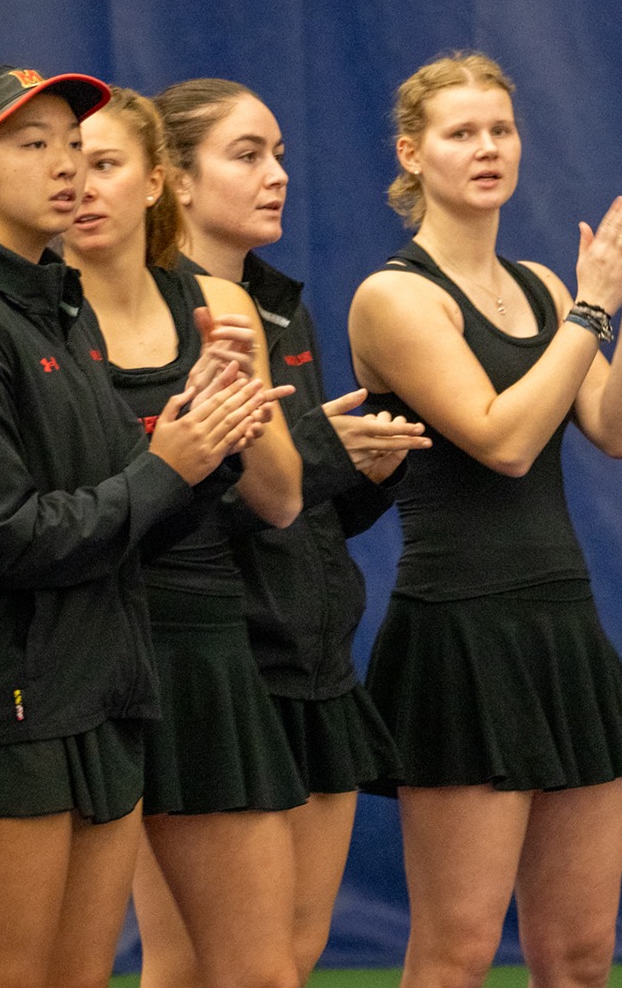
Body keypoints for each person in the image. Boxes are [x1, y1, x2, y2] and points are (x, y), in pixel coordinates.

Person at [0, 67, 278, 988]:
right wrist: (165, 465)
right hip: (7, 711)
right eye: (36, 145)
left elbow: (123, 505)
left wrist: (208, 434)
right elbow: (4, 535)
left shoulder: (57, 312)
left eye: (75, 142)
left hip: (101, 696)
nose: (67, 164)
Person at [345, 51, 622, 988]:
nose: (487, 148)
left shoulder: (547, 286)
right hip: (459, 634)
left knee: (581, 956)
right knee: (459, 951)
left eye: (501, 129)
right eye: (461, 132)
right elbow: (503, 440)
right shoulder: (395, 297)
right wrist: (595, 305)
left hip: (563, 629)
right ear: (411, 154)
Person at [114, 78, 430, 986]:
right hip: (217, 670)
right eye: (247, 155)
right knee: (192, 961)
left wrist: (372, 463)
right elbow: (164, 499)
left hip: (311, 662)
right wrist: (324, 455)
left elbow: (302, 510)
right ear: (172, 179)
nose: (277, 175)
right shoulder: (154, 313)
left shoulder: (280, 306)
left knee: (289, 955)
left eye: (280, 153)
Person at [63, 83, 321, 988]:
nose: (82, 186)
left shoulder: (218, 305)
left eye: (105, 165)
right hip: (83, 645)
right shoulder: (27, 321)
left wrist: (234, 409)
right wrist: (164, 457)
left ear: (155, 183)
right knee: (109, 964)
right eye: (68, 167)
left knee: (263, 969)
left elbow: (285, 500)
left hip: (206, 647)